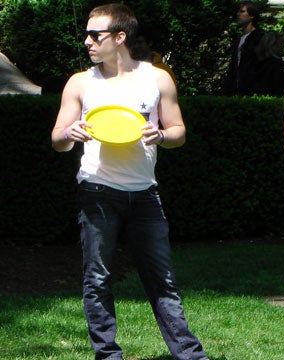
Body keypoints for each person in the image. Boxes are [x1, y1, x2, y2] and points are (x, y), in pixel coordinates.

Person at [50, 4, 208, 360]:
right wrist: (69, 133)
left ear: (120, 37)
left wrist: (162, 136)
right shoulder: (80, 82)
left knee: (161, 280)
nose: (87, 41)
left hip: (144, 194)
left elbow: (179, 131)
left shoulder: (157, 78)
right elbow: (58, 139)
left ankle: (190, 355)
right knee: (97, 280)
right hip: (97, 191)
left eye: (96, 34)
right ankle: (107, 355)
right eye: (87, 34)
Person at [223, 1, 265, 95]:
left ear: (251, 16)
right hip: (237, 89)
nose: (238, 14)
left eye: (242, 11)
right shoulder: (239, 40)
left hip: (253, 90)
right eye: (238, 11)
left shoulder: (259, 38)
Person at [250, 31, 284, 96]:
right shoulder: (278, 65)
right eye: (281, 43)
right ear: (272, 45)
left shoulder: (256, 65)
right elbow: (283, 90)